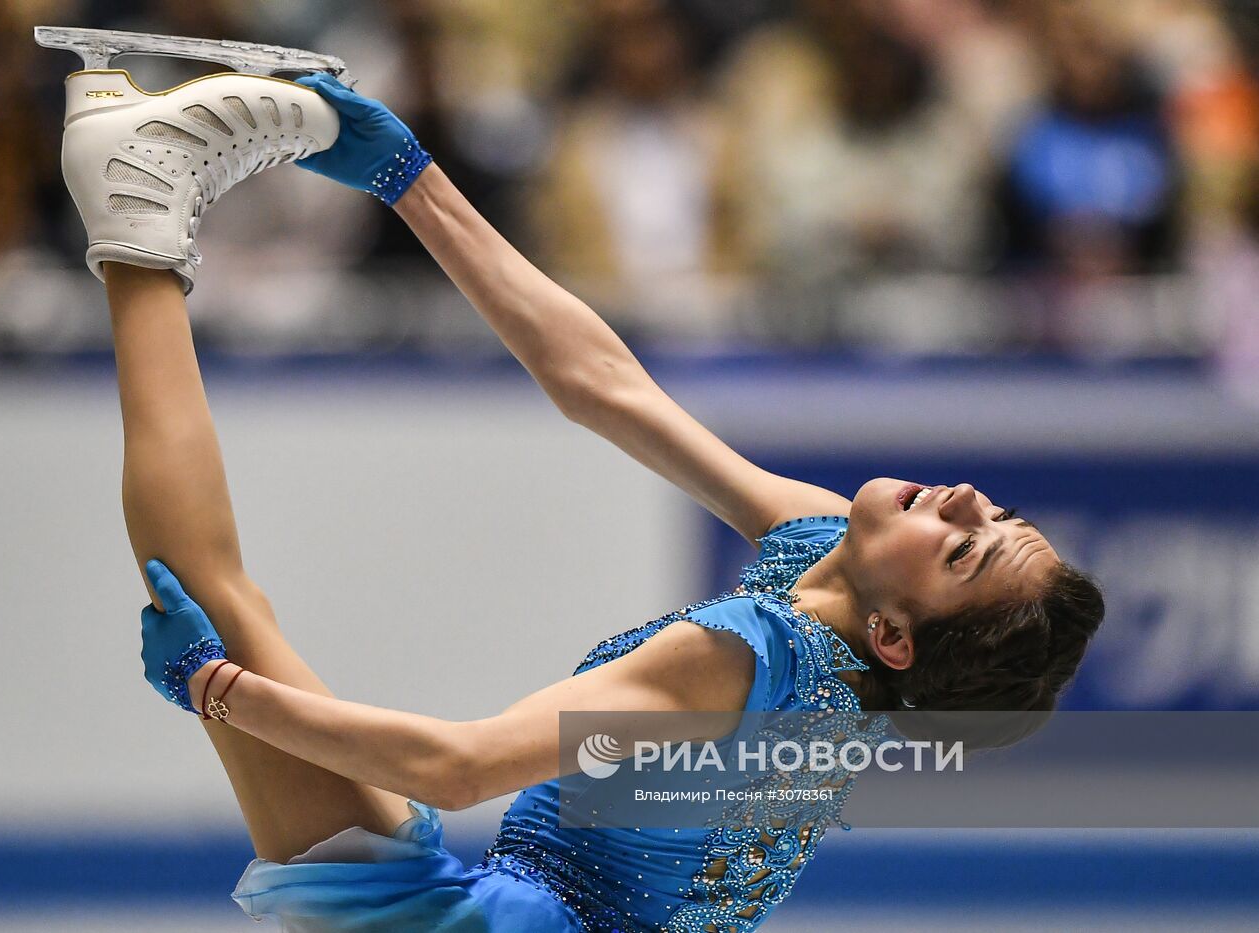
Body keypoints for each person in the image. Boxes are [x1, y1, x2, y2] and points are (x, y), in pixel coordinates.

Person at [58, 65, 1104, 932]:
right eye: (996, 517)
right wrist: (408, 177)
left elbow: (457, 769)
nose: (967, 500)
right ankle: (132, 186)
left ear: (891, 635)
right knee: (226, 604)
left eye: (964, 549)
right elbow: (603, 388)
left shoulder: (743, 655)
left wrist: (214, 691)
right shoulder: (828, 560)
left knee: (215, 606)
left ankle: (137, 197)